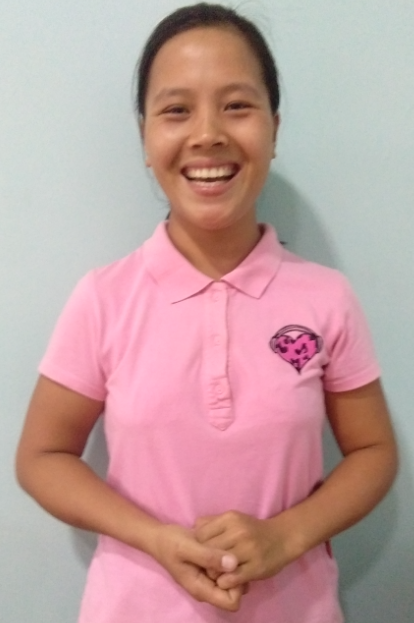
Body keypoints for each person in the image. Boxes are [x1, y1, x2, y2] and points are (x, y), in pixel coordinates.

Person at [16, 3, 398, 622]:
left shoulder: (326, 298)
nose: (208, 134)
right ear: (145, 138)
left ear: (274, 128)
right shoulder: (103, 298)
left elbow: (374, 451)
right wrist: (155, 539)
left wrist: (285, 537)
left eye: (237, 105)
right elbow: (42, 457)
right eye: (176, 110)